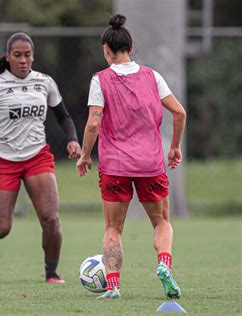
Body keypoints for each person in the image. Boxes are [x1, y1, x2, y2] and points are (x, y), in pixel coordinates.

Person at [0, 32, 81, 284]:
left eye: (27, 55)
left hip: (37, 157)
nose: (23, 60)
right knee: (2, 228)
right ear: (8, 57)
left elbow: (64, 116)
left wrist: (73, 139)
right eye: (17, 55)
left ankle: (51, 273)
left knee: (51, 218)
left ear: (33, 56)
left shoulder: (45, 82)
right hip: (2, 159)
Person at [76, 14, 186, 299]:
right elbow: (180, 112)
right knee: (162, 222)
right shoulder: (153, 76)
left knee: (113, 228)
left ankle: (113, 287)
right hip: (151, 163)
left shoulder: (100, 79)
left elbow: (93, 122)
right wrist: (174, 146)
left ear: (106, 51)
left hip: (115, 166)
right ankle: (164, 264)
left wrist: (85, 155)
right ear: (131, 48)